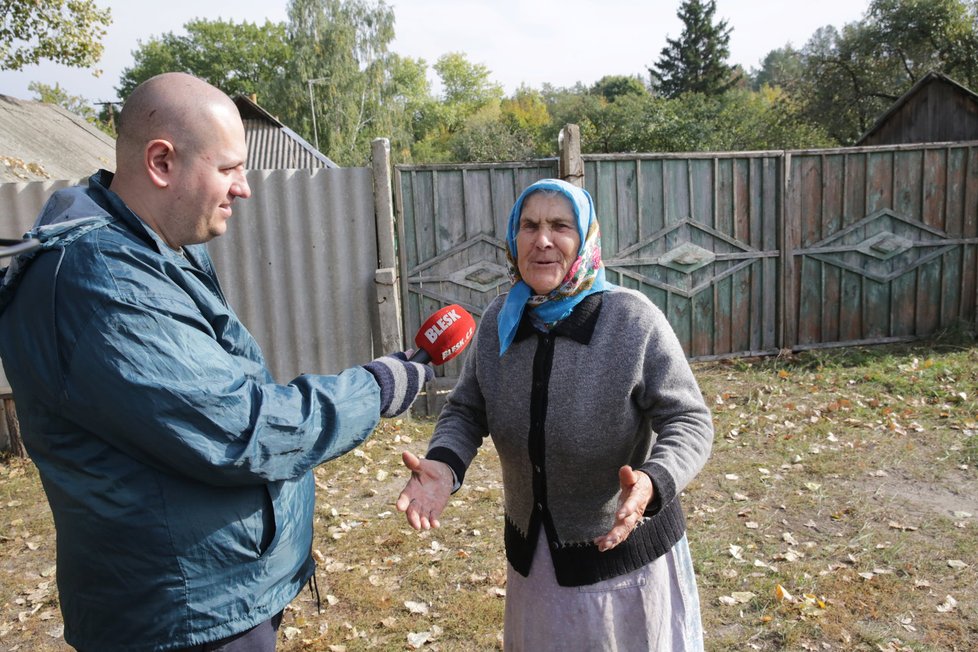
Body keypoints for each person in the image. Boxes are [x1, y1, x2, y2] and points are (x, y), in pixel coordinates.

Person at [0, 72, 432, 652]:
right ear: (162, 162)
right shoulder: (103, 283)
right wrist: (375, 389)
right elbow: (240, 426)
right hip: (183, 615)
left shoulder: (148, 248)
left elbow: (225, 377)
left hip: (214, 593)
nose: (245, 188)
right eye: (229, 168)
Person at [396, 178, 714, 651]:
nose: (542, 240)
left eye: (560, 226)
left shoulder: (632, 320)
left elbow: (690, 420)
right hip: (536, 561)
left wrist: (653, 480)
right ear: (513, 238)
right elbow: (466, 409)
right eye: (529, 226)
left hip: (622, 561)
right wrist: (444, 465)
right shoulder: (499, 321)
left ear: (585, 239)